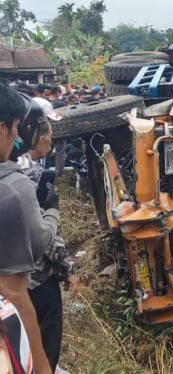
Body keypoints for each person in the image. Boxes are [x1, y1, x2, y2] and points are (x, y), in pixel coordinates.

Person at [17, 99, 80, 371]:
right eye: (49, 134)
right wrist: (68, 268)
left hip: (11, 280)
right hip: (38, 280)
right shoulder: (36, 176)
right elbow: (47, 236)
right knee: (46, 345)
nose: (52, 141)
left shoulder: (9, 171)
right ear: (37, 137)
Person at [0, 82, 58, 374]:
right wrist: (52, 212)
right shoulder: (13, 188)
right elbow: (38, 244)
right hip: (21, 297)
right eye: (14, 127)